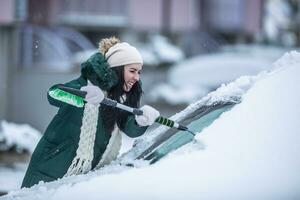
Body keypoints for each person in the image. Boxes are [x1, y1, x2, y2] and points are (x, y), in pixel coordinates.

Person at [21, 37, 160, 188]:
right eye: (132, 71)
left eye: (139, 72)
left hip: (84, 176)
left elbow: (129, 128)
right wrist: (82, 95)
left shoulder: (121, 97)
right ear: (117, 69)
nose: (137, 77)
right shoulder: (85, 84)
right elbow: (53, 94)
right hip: (51, 166)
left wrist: (140, 121)